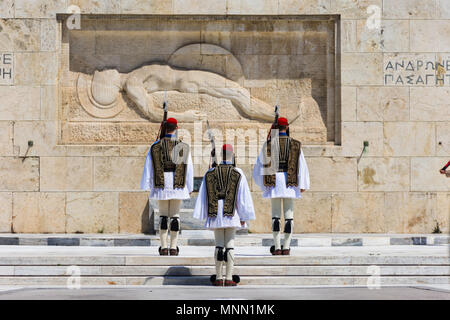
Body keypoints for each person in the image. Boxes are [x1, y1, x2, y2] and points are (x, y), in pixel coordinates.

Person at [193, 144, 256, 286]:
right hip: (232, 213)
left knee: (218, 245)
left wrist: (205, 214)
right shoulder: (238, 172)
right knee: (230, 245)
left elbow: (204, 195)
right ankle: (228, 278)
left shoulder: (210, 172)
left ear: (221, 155)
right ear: (232, 155)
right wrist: (244, 216)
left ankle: (218, 277)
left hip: (215, 213)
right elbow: (242, 197)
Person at [252, 117, 310, 256]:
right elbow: (301, 166)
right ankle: (287, 247)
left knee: (276, 217)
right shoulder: (296, 145)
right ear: (287, 127)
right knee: (289, 217)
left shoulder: (268, 145)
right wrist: (303, 184)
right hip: (290, 183)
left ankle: (277, 247)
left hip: (274, 183)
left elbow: (259, 168)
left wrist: (264, 184)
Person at [140, 117, 193, 256]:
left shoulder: (155, 146)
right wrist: (189, 186)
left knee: (163, 216)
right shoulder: (183, 146)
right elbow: (189, 168)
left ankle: (164, 247)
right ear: (176, 128)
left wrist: (146, 184)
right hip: (177, 185)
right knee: (175, 217)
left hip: (161, 185)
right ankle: (174, 247)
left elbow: (148, 167)